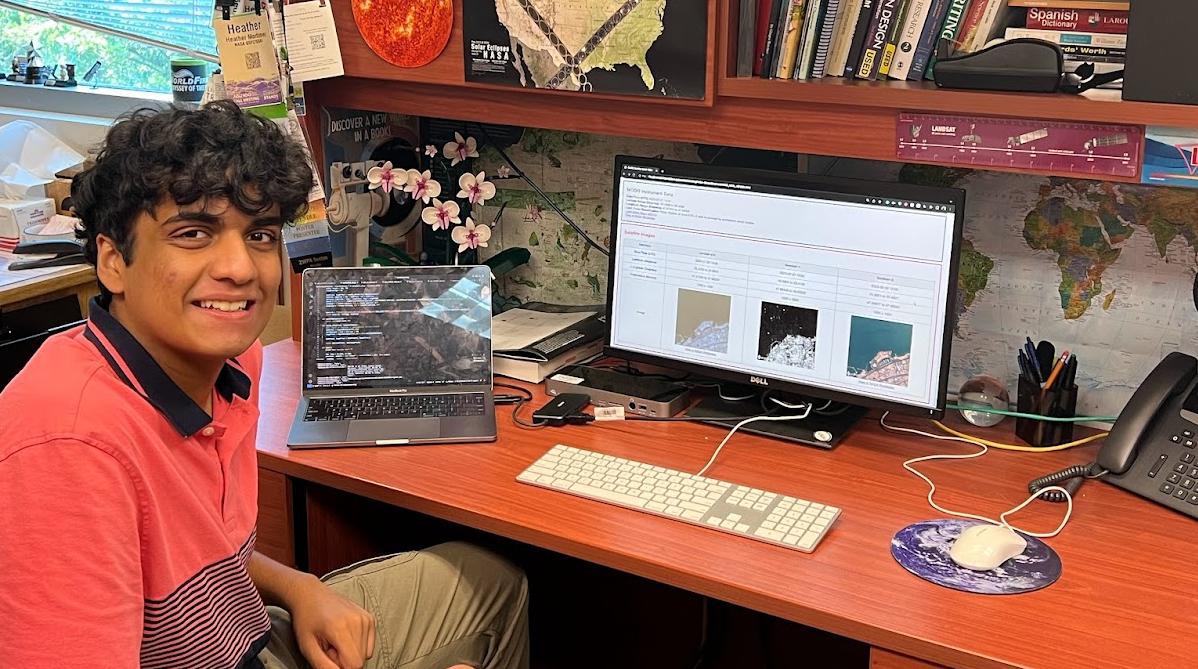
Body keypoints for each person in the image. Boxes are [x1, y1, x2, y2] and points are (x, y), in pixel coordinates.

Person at [0, 101, 529, 669]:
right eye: (193, 232)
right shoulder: (67, 448)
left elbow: (200, 553)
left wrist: (300, 587)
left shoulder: (231, 363)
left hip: (242, 638)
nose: (241, 268)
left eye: (259, 234)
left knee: (489, 583)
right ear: (113, 262)